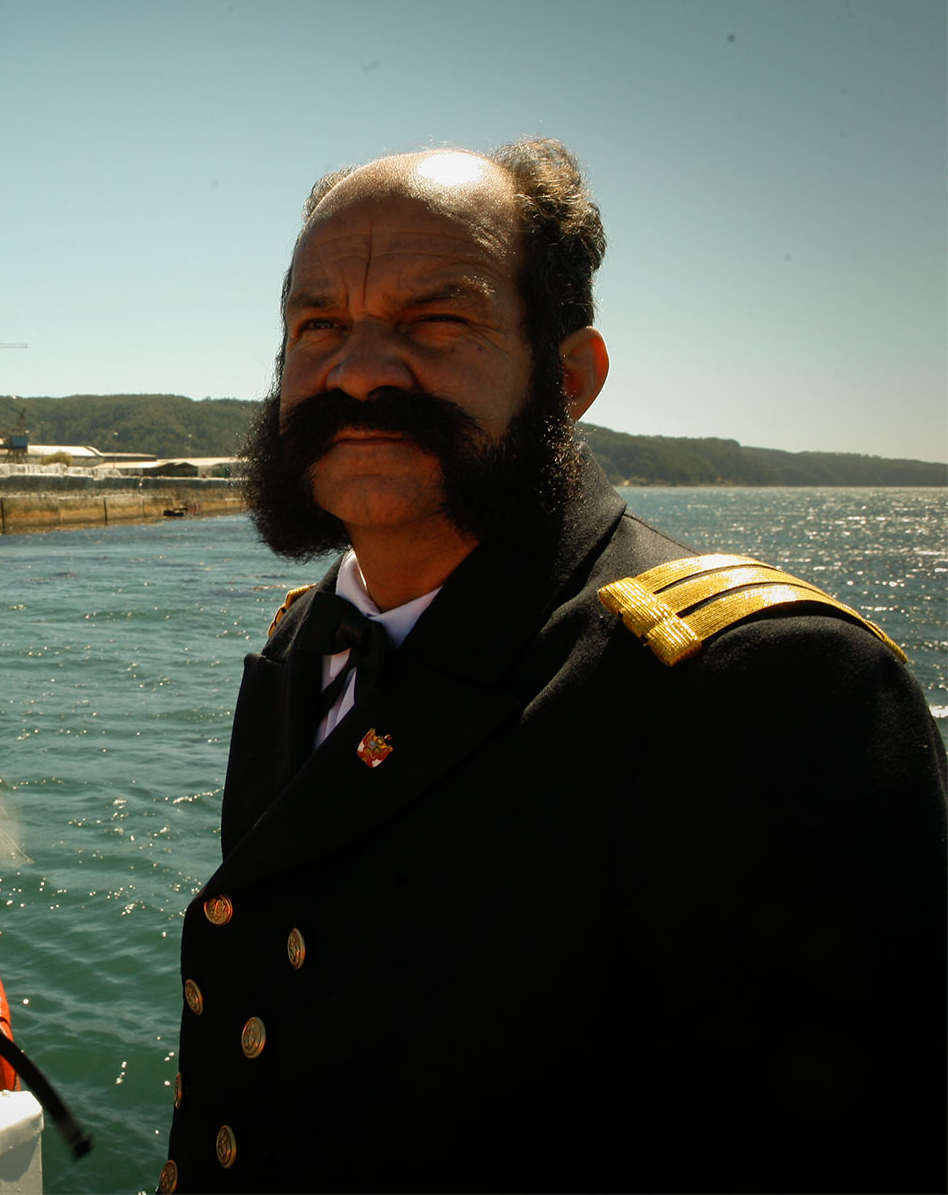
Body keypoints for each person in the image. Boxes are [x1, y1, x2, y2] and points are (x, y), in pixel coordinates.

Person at [162, 141, 946, 1193]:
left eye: (437, 320)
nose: (357, 367)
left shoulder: (765, 687)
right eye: (318, 325)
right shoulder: (308, 636)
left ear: (568, 375)